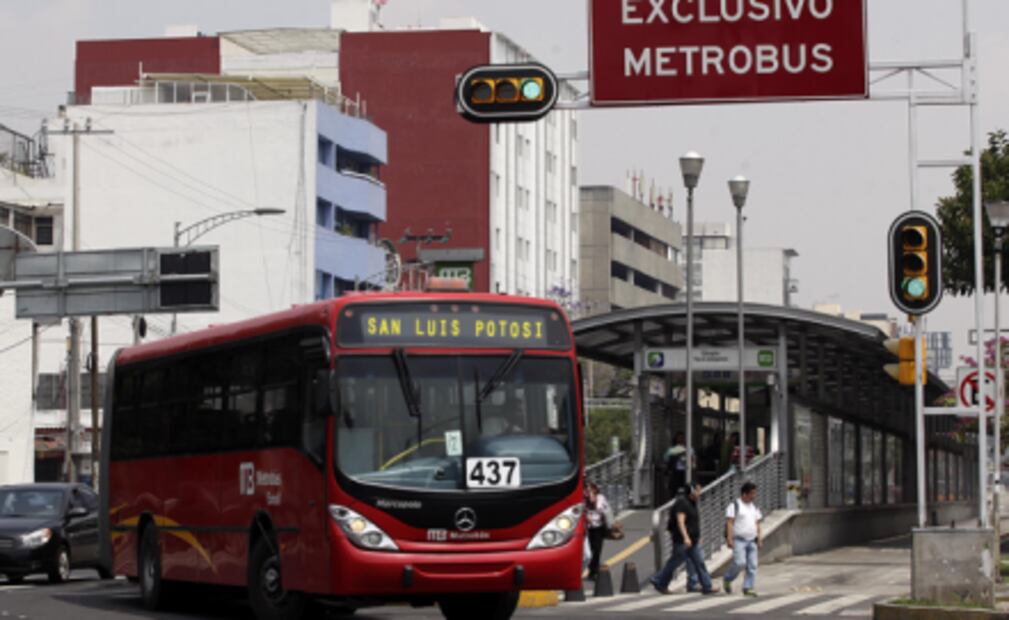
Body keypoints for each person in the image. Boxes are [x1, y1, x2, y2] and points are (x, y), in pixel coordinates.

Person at [649, 481, 718, 595]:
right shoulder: (682, 503)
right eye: (697, 490)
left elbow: (693, 522)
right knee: (675, 562)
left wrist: (697, 537)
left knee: (699, 562)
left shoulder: (692, 503)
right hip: (682, 541)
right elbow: (680, 522)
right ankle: (659, 580)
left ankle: (707, 586)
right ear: (691, 491)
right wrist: (686, 538)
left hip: (693, 541)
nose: (699, 492)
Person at [723, 481, 763, 596]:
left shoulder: (754, 507)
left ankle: (748, 587)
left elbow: (757, 524)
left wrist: (759, 538)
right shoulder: (735, 505)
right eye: (752, 493)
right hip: (739, 539)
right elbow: (729, 523)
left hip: (752, 540)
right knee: (740, 563)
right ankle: (727, 578)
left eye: (755, 493)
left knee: (752, 565)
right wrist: (729, 539)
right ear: (744, 494)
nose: (754, 496)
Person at [584, 481, 611, 580]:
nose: (587, 491)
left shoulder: (600, 498)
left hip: (599, 527)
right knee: (588, 551)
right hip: (587, 528)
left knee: (597, 549)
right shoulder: (582, 499)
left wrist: (592, 499)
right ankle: (591, 568)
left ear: (595, 490)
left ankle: (593, 571)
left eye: (590, 489)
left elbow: (601, 508)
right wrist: (586, 517)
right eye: (586, 490)